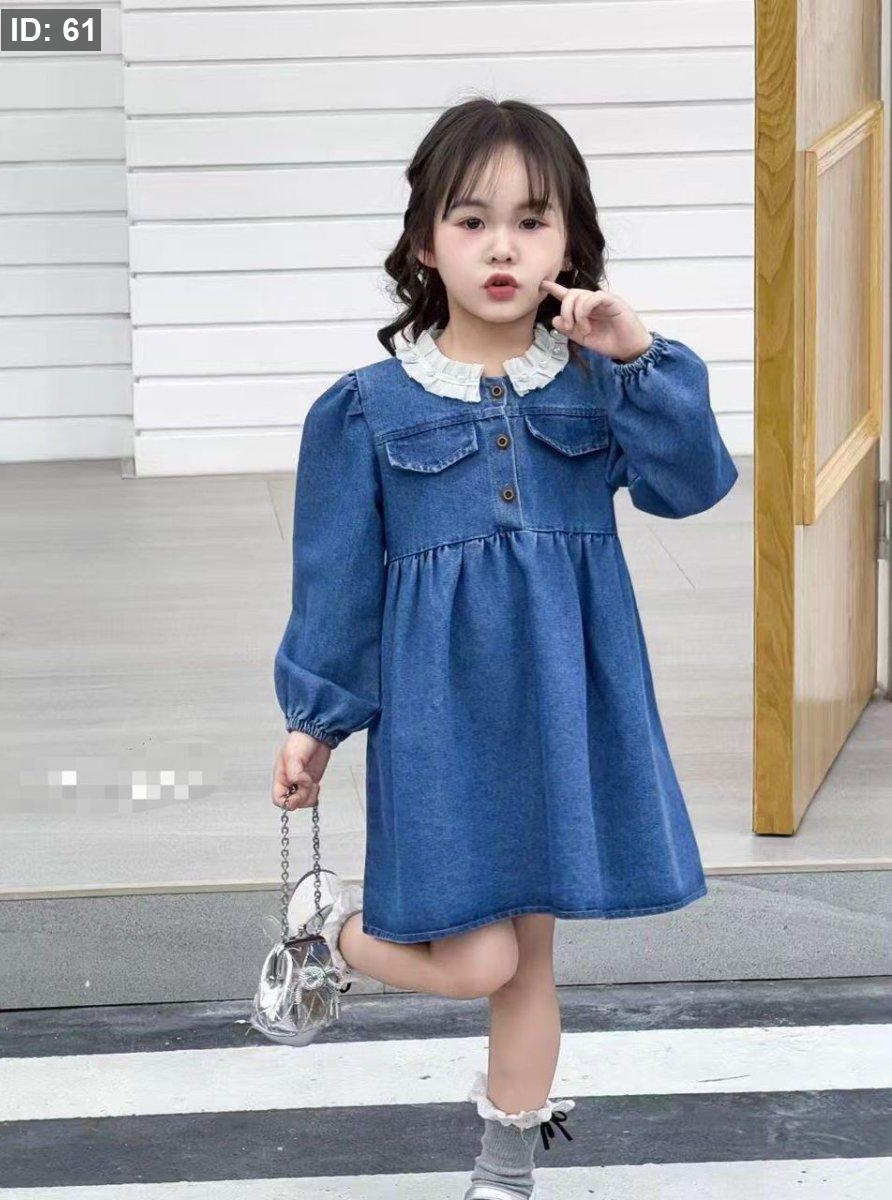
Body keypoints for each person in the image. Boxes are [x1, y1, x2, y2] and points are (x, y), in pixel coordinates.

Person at [271, 96, 738, 1199]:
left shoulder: (599, 381)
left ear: (568, 243)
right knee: (477, 959)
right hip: (443, 719)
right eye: (472, 220)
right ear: (423, 243)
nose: (502, 248)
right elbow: (336, 582)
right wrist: (315, 721)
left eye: (532, 221)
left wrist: (640, 352)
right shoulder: (365, 410)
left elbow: (690, 484)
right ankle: (327, 926)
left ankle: (505, 1168)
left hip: (563, 705)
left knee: (529, 958)